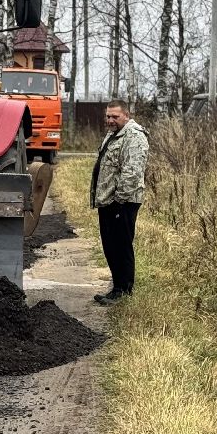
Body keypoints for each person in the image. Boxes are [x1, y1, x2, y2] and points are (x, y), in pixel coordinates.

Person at [90, 99, 149, 304]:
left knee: (121, 246)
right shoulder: (114, 133)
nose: (110, 120)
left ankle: (123, 291)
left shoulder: (134, 136)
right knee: (110, 245)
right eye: (108, 116)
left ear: (126, 115)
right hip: (108, 201)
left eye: (115, 116)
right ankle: (117, 288)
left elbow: (132, 173)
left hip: (123, 202)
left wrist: (119, 203)